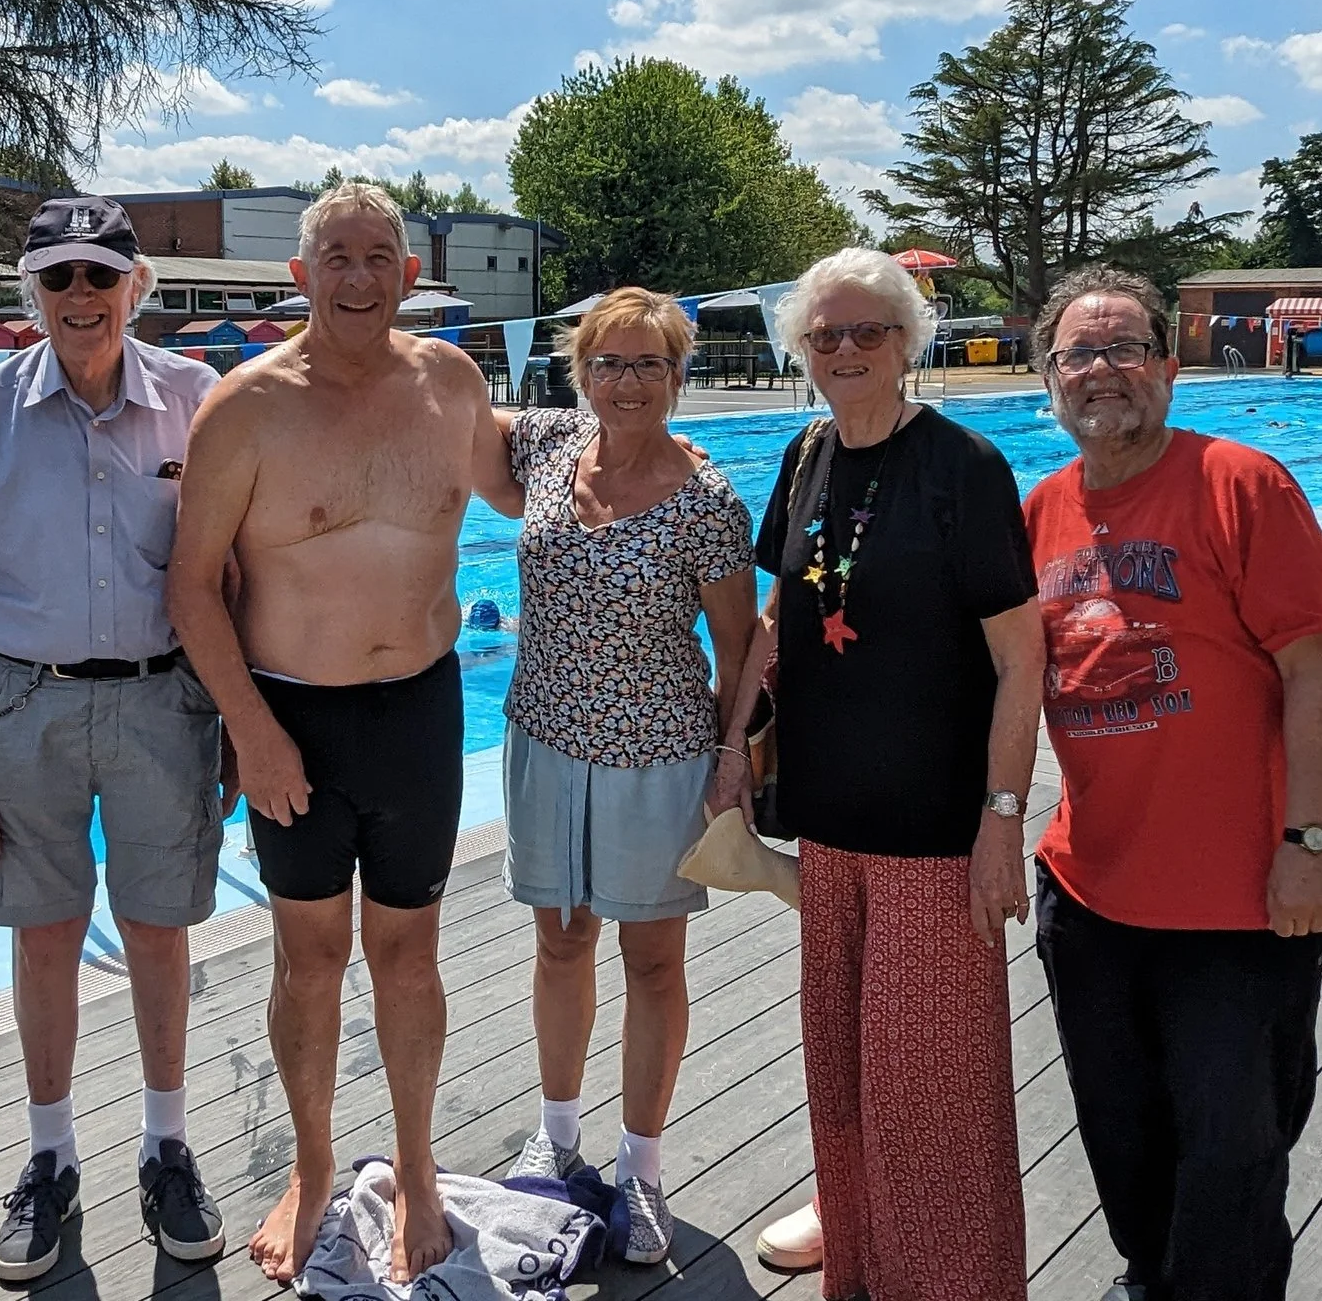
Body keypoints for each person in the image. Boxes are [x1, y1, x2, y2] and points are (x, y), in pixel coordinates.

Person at [166, 180, 512, 1285]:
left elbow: (524, 492)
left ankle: (414, 1164)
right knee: (307, 955)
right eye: (339, 258)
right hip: (294, 718)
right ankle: (313, 1165)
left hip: (419, 707)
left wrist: (656, 451)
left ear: (410, 276)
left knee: (408, 951)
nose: (360, 277)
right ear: (299, 276)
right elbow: (189, 589)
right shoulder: (248, 406)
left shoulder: (451, 381)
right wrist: (252, 733)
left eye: (380, 257)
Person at [0, 197, 230, 1283]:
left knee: (155, 929)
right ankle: (50, 1156)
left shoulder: (198, 404)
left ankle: (165, 1141)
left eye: (100, 275)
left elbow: (234, 579)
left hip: (160, 704)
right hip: (20, 704)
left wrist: (236, 724)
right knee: (42, 934)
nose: (80, 297)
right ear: (29, 292)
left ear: (137, 289)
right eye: (58, 278)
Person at [1023, 266, 1322, 1301]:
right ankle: (1148, 1278)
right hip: (1087, 890)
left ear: (1169, 366)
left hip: (1235, 901)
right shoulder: (1038, 512)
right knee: (1119, 1131)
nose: (1101, 370)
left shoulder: (1238, 483)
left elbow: (1311, 670)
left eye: (1123, 348)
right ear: (1048, 376)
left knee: (1234, 1150)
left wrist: (1307, 844)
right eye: (1079, 352)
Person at [726, 246, 1045, 1301]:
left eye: (869, 331)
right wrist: (736, 742)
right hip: (830, 827)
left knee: (932, 1094)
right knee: (846, 1073)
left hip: (934, 830)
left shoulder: (963, 467)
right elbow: (779, 618)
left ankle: (954, 1282)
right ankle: (858, 1265)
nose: (847, 349)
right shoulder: (807, 451)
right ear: (800, 350)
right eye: (826, 335)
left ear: (908, 341)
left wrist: (1003, 817)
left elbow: (1020, 655)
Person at [498, 287, 756, 1265]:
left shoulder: (707, 500)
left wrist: (733, 761)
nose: (628, 381)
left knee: (651, 962)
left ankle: (640, 1168)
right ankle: (556, 1138)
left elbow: (741, 646)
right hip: (544, 740)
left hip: (658, 753)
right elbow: (433, 405)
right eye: (609, 361)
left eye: (650, 363)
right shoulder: (545, 448)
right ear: (580, 372)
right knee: (561, 942)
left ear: (679, 374)